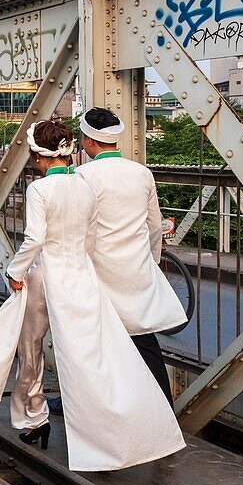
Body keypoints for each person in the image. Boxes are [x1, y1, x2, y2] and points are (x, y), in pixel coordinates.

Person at [0, 120, 185, 471]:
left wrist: (15, 272)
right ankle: (125, 425)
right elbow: (110, 234)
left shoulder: (45, 188)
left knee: (31, 348)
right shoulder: (102, 181)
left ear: (40, 157)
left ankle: (34, 415)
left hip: (49, 276)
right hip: (85, 276)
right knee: (93, 359)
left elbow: (35, 238)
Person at [74, 107, 187, 404]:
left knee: (95, 342)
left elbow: (81, 231)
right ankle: (162, 402)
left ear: (88, 140)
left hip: (99, 269)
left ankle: (96, 405)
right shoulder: (142, 173)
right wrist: (151, 261)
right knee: (143, 338)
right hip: (135, 269)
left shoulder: (82, 175)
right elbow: (154, 226)